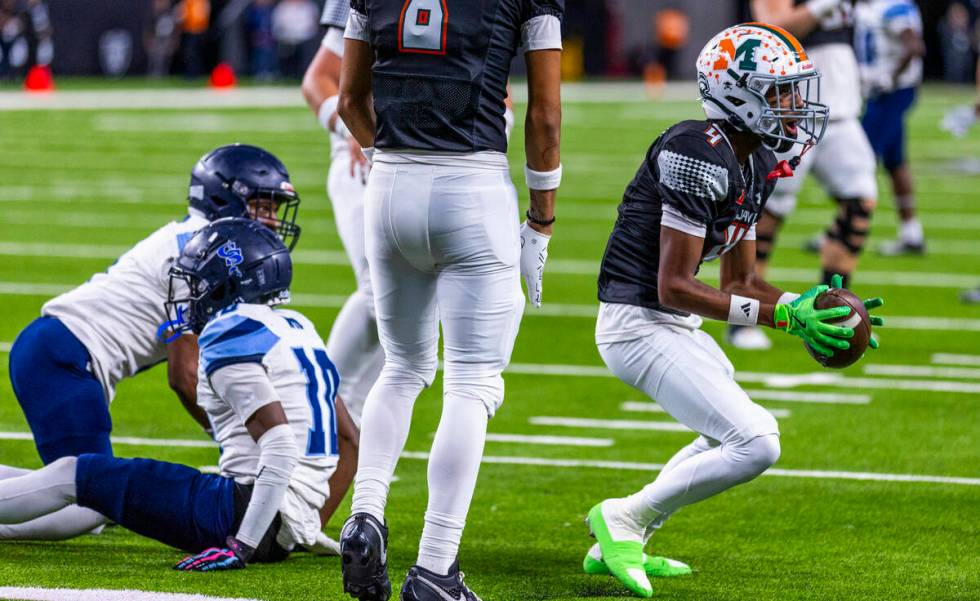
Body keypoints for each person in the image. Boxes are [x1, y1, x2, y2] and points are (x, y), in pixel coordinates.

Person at [584, 23, 883, 598]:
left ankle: (623, 534)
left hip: (669, 323)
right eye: (780, 92)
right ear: (737, 93)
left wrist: (807, 305)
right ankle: (622, 518)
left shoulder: (751, 159)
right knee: (756, 440)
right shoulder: (693, 150)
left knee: (722, 432)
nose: (794, 105)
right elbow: (673, 285)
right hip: (636, 323)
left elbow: (742, 279)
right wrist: (777, 319)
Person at [335, 0, 563, 599]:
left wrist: (396, 165)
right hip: (471, 184)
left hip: (385, 189)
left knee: (403, 366)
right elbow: (544, 118)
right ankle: (435, 567)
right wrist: (541, 220)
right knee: (472, 383)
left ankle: (366, 516)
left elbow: (348, 104)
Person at [0, 218, 340, 570]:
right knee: (87, 476)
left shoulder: (233, 331)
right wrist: (301, 527)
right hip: (276, 516)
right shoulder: (299, 327)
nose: (194, 291)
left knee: (73, 475)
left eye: (202, 281)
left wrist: (243, 545)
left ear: (231, 283)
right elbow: (333, 435)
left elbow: (281, 443)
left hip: (242, 513)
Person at [3, 144, 302, 541]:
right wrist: (239, 435)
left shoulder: (196, 239)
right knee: (89, 505)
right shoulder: (201, 250)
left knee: (72, 483)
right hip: (63, 357)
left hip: (60, 350)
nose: (272, 219)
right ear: (224, 196)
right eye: (263, 205)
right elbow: (184, 375)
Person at [299, 0, 518, 535]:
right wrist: (354, 132)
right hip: (377, 155)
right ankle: (317, 420)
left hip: (437, 161)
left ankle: (329, 430)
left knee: (406, 345)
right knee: (394, 316)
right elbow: (321, 80)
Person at [726, 0, 880, 350]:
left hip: (842, 110)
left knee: (861, 200)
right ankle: (742, 317)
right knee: (766, 214)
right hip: (791, 112)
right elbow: (773, 27)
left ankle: (838, 311)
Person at [854, 0, 926, 256]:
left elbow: (914, 46)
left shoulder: (891, 5)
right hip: (881, 93)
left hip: (891, 93)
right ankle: (912, 233)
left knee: (858, 160)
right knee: (895, 163)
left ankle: (845, 230)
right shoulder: (869, 7)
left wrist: (889, 78)